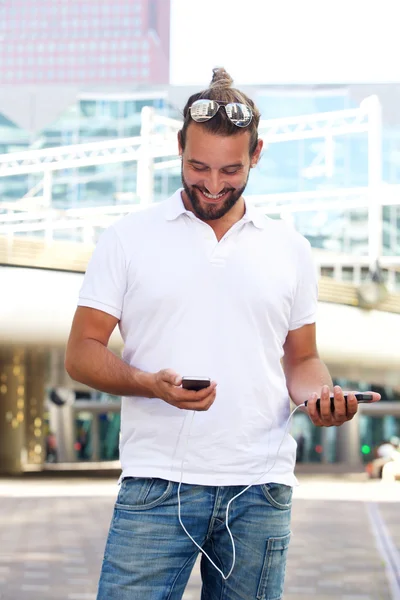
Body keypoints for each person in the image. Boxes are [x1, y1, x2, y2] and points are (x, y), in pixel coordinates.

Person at [65, 68, 381, 600]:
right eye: (198, 167)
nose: (212, 185)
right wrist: (150, 383)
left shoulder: (291, 249)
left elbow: (302, 359)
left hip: (260, 490)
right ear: (179, 148)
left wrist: (321, 399)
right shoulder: (127, 239)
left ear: (257, 154)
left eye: (231, 169)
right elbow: (81, 352)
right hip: (156, 485)